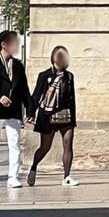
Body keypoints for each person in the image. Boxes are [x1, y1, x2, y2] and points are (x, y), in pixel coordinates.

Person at [0, 29, 34, 187]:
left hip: (13, 109)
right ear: (4, 44)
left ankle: (13, 176)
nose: (17, 45)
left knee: (15, 143)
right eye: (14, 42)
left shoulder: (18, 65)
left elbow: (24, 90)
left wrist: (30, 110)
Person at [29, 46, 78, 185]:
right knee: (45, 147)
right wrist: (31, 113)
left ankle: (66, 177)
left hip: (65, 115)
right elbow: (36, 95)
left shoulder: (69, 76)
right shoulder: (44, 76)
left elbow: (71, 98)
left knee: (68, 143)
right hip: (47, 116)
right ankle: (33, 167)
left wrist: (73, 119)